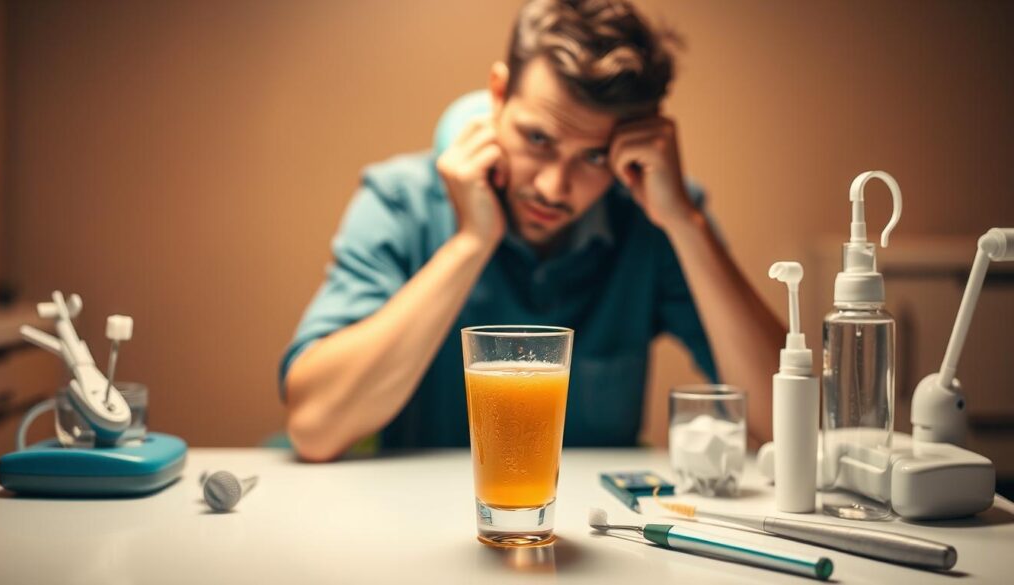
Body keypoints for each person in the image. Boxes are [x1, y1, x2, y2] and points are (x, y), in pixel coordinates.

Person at [280, 0, 785, 462]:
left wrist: (686, 225)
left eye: (592, 156)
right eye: (538, 138)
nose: (554, 187)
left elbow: (787, 427)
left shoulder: (657, 220)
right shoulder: (400, 200)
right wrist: (470, 244)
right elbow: (314, 427)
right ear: (497, 95)